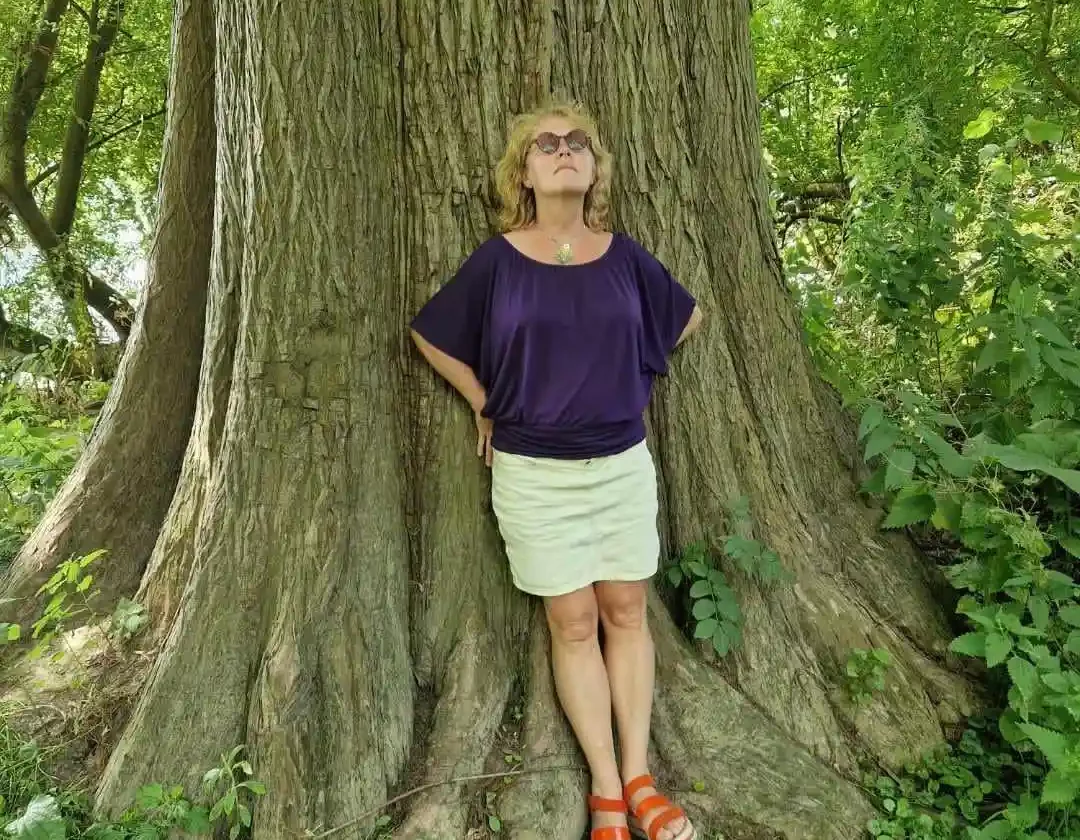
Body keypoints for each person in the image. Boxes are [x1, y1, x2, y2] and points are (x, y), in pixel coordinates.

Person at [410, 101, 703, 840]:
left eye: (578, 143)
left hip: (621, 465)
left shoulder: (624, 255)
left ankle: (639, 777)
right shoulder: (498, 259)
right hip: (533, 471)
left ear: (595, 167)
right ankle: (605, 790)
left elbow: (687, 316)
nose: (563, 151)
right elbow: (429, 334)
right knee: (572, 623)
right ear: (525, 172)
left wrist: (635, 366)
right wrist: (482, 401)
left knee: (627, 612)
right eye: (546, 144)